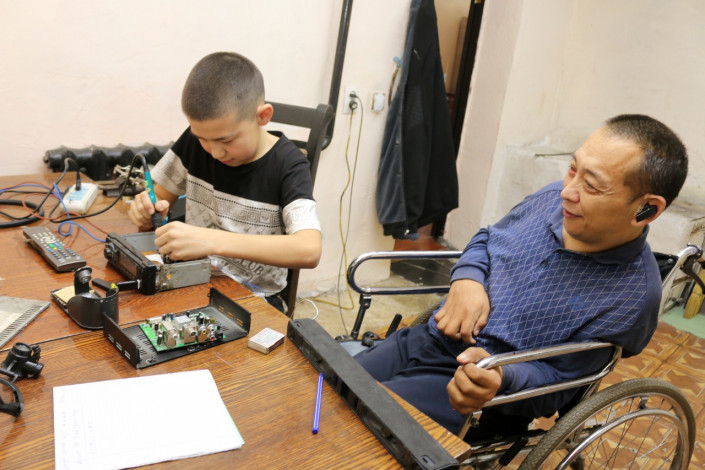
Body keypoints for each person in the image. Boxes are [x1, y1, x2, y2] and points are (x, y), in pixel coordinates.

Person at [356, 114, 688, 439]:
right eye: (573, 169)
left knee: (353, 430)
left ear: (646, 208)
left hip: (477, 392)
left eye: (591, 185)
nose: (567, 192)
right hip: (425, 340)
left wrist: (501, 376)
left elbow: (561, 379)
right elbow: (488, 238)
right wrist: (467, 280)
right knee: (333, 386)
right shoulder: (548, 200)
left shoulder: (631, 296)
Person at [128, 52, 322, 311]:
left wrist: (211, 240)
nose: (215, 152)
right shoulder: (196, 142)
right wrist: (145, 211)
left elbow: (309, 249)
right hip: (190, 283)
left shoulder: (289, 165)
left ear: (263, 116)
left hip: (254, 300)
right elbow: (159, 199)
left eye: (226, 140)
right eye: (203, 139)